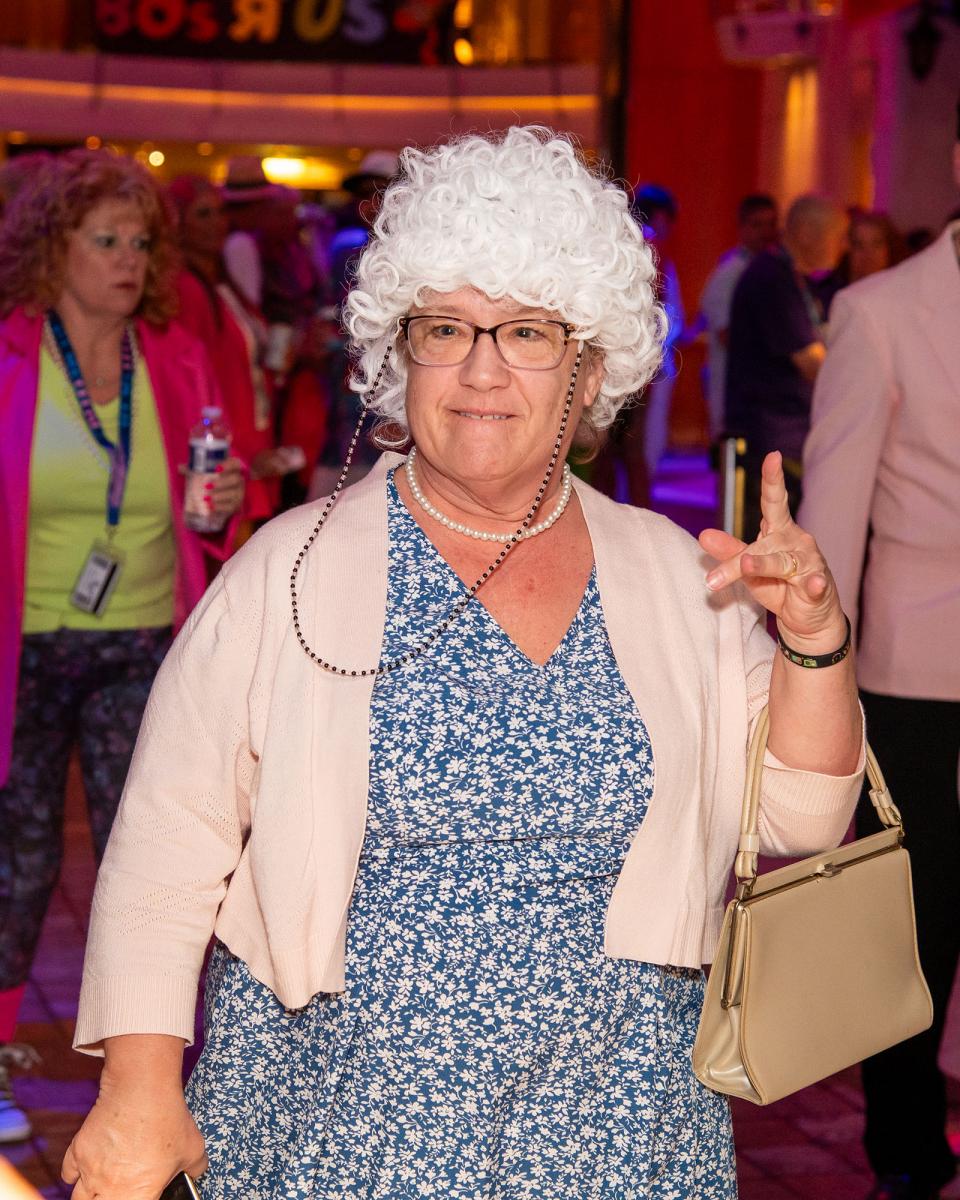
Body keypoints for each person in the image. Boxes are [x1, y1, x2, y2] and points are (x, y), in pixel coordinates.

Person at [64, 127, 864, 1200]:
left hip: (618, 1132)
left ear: (590, 367)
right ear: (402, 356)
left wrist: (813, 638)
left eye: (527, 331)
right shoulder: (288, 572)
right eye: (445, 328)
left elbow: (803, 819)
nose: (482, 370)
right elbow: (168, 843)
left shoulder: (680, 577)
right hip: (340, 1130)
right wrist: (137, 1092)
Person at [0, 149, 245, 1143]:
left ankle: (151, 1075)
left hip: (145, 641)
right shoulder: (12, 357)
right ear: (51, 248)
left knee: (150, 860)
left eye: (140, 244)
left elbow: (212, 494)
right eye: (105, 241)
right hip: (22, 648)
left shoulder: (175, 354)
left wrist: (221, 507)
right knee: (16, 861)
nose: (128, 262)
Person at [799, 109, 960, 1200]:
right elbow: (834, 514)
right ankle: (905, 1153)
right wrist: (819, 689)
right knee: (914, 929)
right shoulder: (882, 312)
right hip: (916, 677)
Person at [168, 174, 293, 526]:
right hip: (227, 449)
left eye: (221, 211)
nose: (218, 222)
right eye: (203, 214)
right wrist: (233, 451)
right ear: (177, 224)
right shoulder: (186, 290)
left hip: (251, 439)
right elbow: (192, 384)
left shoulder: (221, 284)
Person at [726, 194, 847, 539]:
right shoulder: (771, 279)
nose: (843, 247)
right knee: (769, 545)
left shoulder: (794, 278)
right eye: (838, 236)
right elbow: (813, 364)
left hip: (784, 439)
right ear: (807, 232)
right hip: (772, 442)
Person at [696, 193, 779, 440]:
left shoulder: (776, 272)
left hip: (763, 401)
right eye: (757, 225)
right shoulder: (728, 275)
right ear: (742, 228)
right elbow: (726, 336)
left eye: (771, 224)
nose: (765, 232)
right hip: (734, 398)